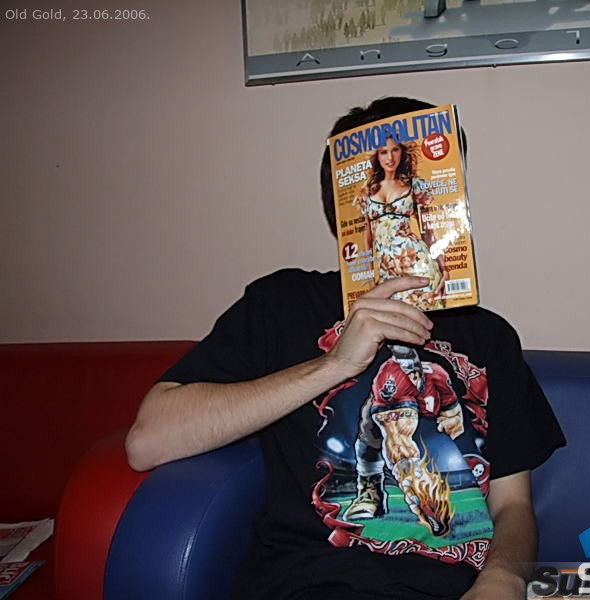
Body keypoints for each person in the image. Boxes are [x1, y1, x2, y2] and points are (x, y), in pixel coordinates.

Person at [125, 96, 565, 600]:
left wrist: (504, 580)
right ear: (343, 206)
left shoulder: (487, 334)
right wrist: (335, 364)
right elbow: (148, 441)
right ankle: (370, 495)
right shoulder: (282, 302)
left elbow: (513, 506)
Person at [356, 135, 447, 310]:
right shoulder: (366, 192)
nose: (390, 157)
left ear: (402, 152)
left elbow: (428, 230)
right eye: (384, 152)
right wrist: (369, 277)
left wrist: (444, 269)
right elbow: (367, 237)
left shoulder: (415, 185)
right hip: (386, 272)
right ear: (377, 156)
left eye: (395, 150)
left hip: (417, 263)